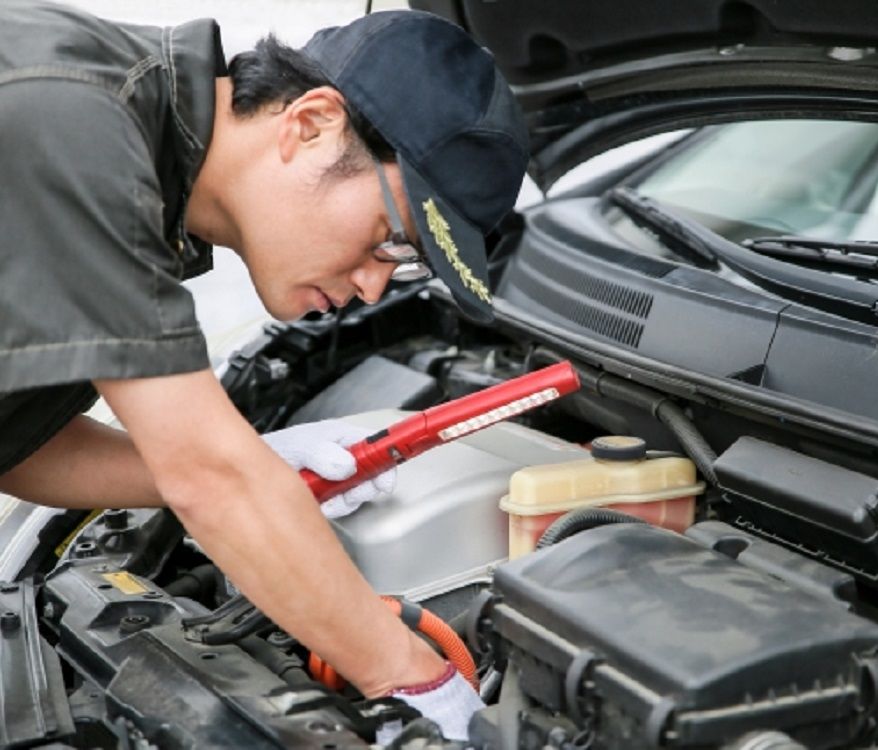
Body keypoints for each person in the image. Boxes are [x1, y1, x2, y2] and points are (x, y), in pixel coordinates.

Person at [0, 0, 528, 741]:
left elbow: (19, 445)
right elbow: (211, 481)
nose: (377, 288)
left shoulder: (140, 169)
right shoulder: (78, 124)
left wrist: (253, 464)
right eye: (390, 239)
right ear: (310, 124)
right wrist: (416, 680)